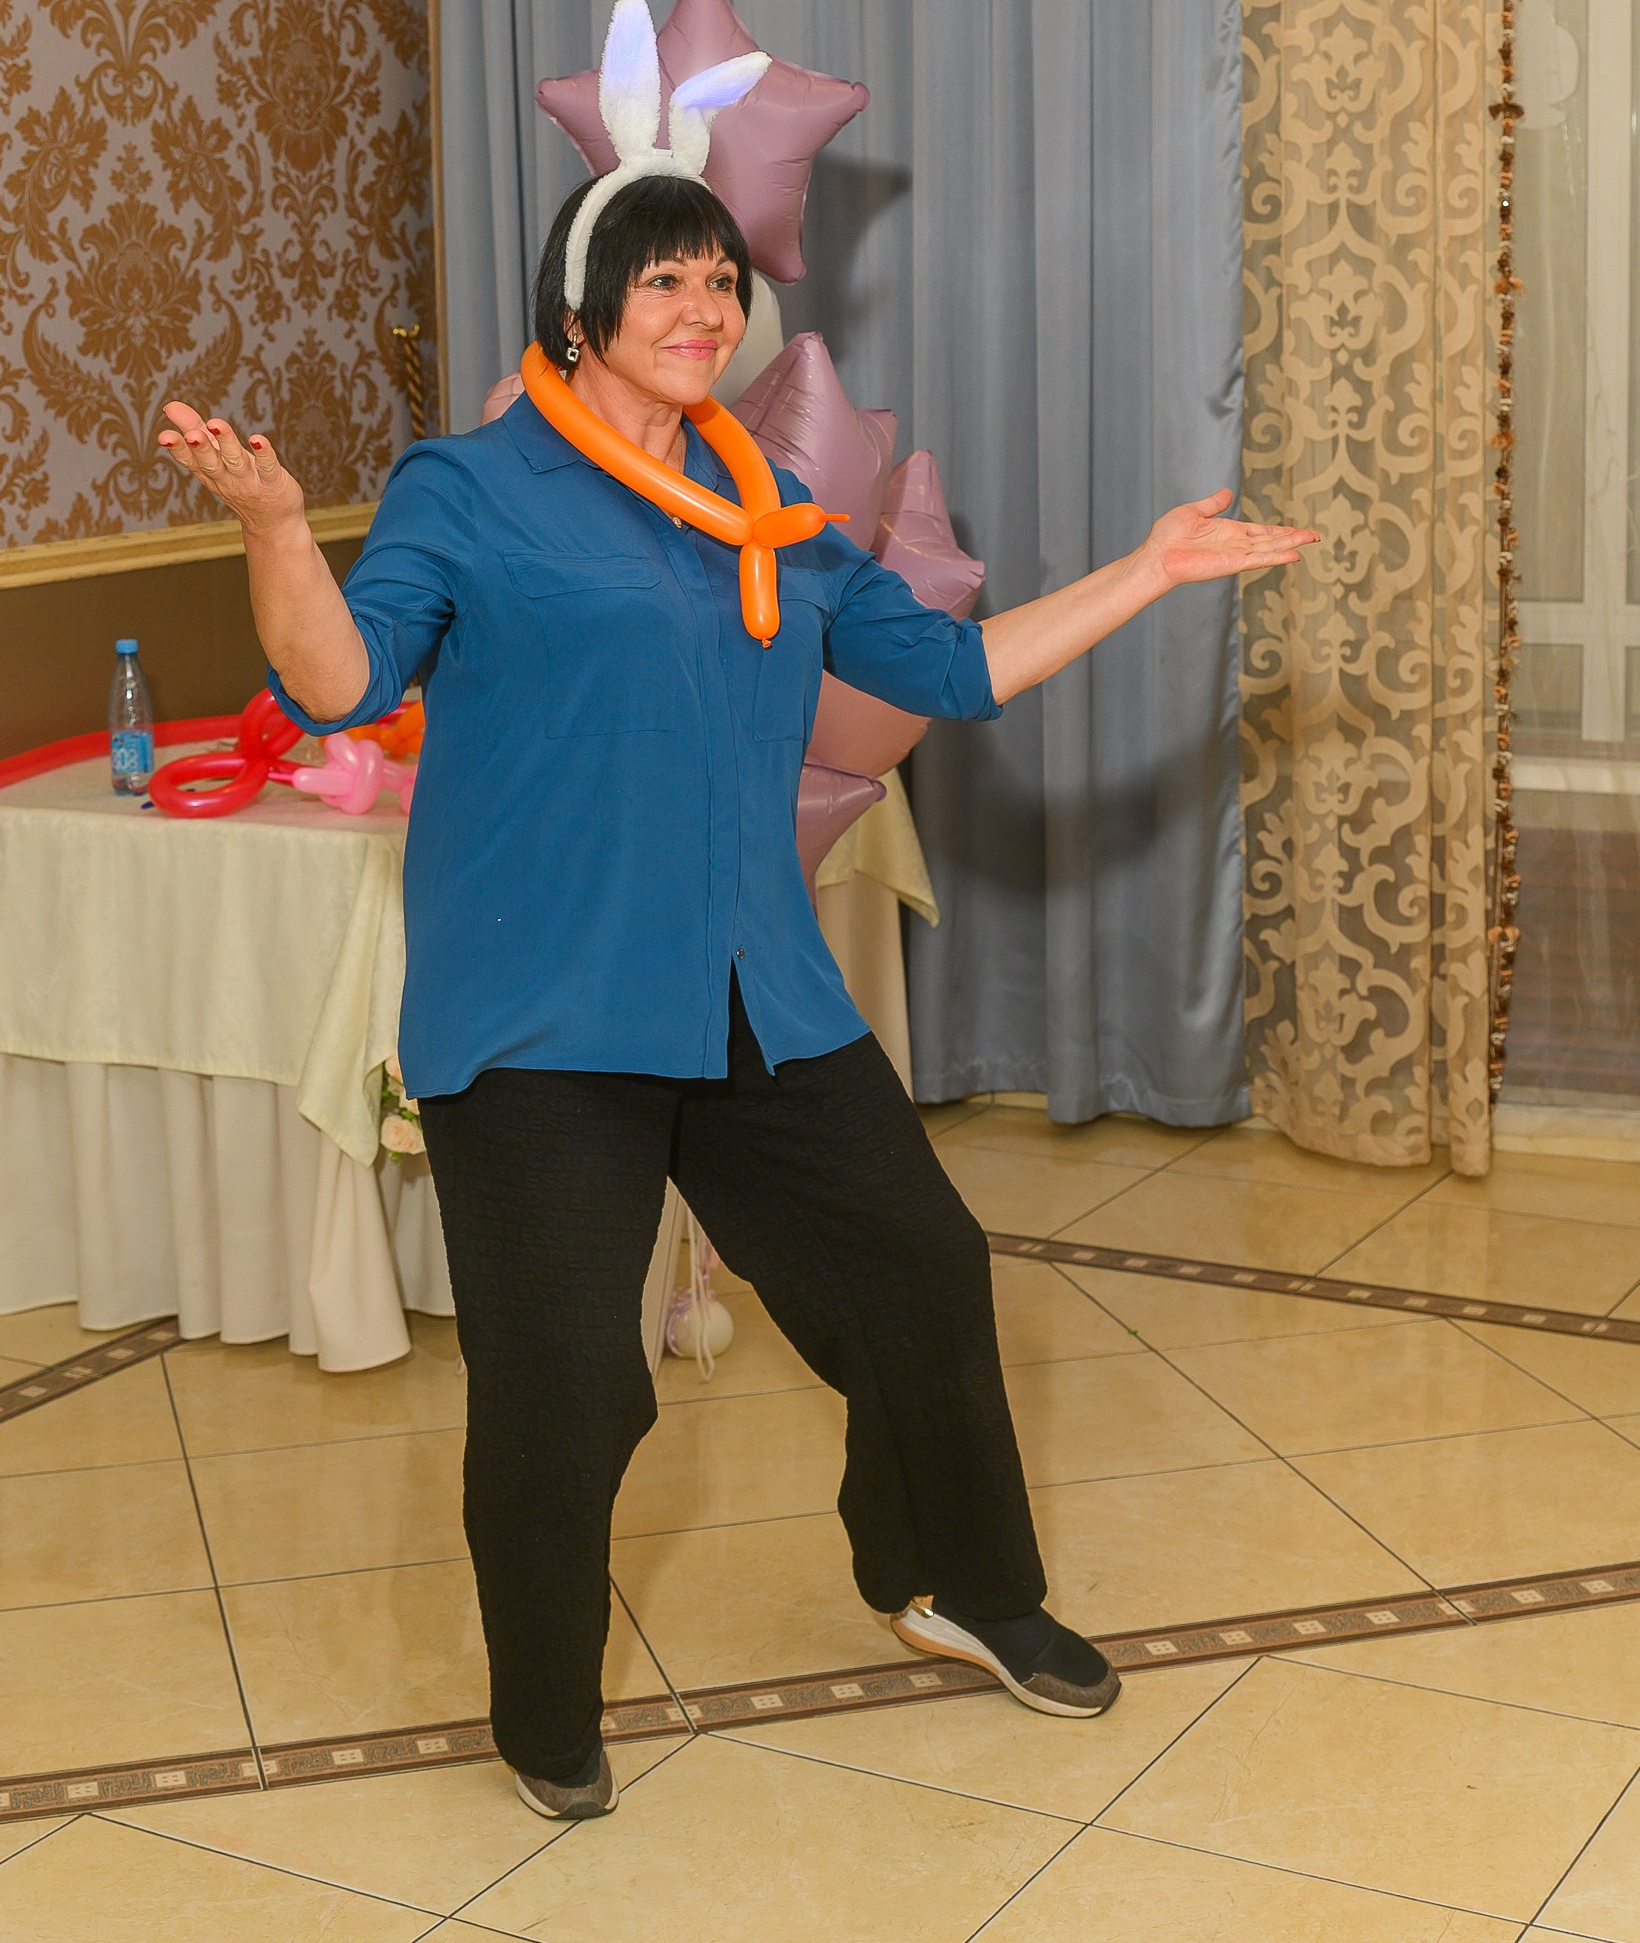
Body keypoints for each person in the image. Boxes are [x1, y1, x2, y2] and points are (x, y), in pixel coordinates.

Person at [160, 176, 1313, 1824]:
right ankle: (544, 1709)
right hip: (546, 1009)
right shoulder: (469, 486)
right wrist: (277, 528)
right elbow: (340, 682)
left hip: (748, 987)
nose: (703, 309)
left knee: (920, 1269)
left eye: (720, 279)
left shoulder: (768, 508)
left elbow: (951, 671)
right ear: (580, 312)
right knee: (572, 1380)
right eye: (663, 281)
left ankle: (956, 1584)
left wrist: (1148, 569)